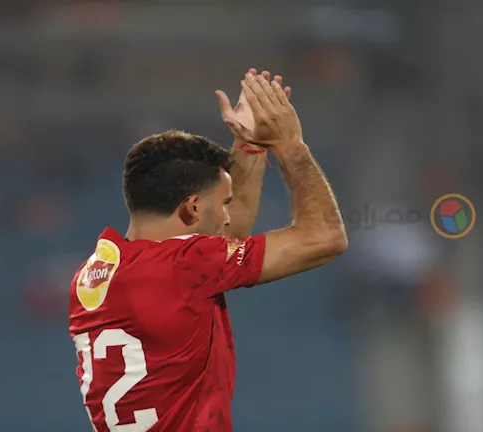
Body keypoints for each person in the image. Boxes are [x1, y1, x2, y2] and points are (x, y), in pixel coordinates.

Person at [67, 69, 347, 432]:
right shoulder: (186, 265)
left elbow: (224, 240)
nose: (228, 216)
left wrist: (250, 145)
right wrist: (290, 146)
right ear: (193, 207)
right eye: (223, 204)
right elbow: (324, 237)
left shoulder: (95, 271)